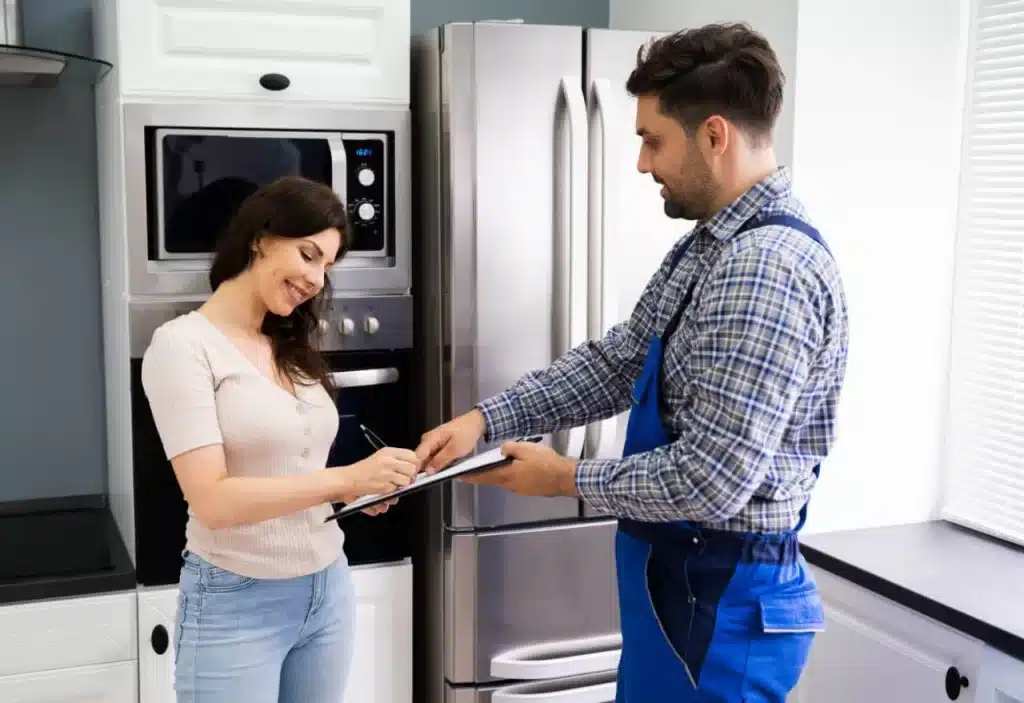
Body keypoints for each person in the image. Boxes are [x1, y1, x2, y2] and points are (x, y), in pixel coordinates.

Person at [416, 23, 848, 702]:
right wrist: (483, 418)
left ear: (714, 135)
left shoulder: (765, 270)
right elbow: (619, 361)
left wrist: (564, 476)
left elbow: (712, 481)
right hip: (683, 592)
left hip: (723, 607)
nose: (642, 163)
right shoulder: (709, 249)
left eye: (652, 140)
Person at [141, 176, 420, 702]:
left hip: (327, 589)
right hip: (236, 597)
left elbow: (296, 472)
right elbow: (214, 500)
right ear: (261, 238)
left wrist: (355, 492)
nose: (316, 279)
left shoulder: (287, 346)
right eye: (308, 255)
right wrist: (345, 477)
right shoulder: (183, 346)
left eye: (326, 267)